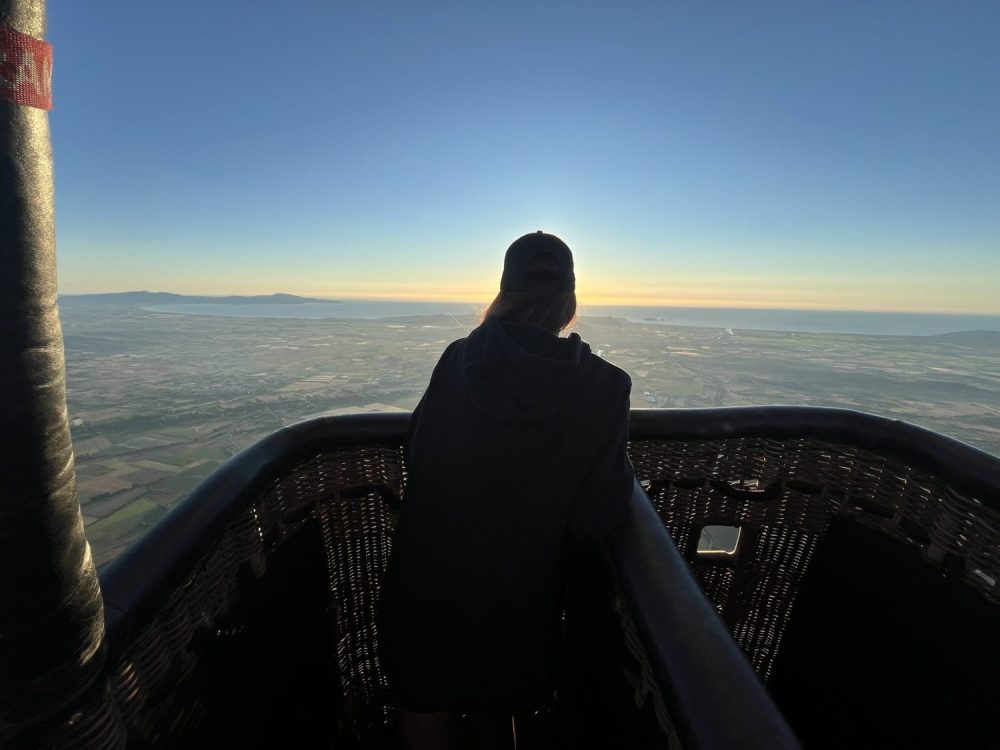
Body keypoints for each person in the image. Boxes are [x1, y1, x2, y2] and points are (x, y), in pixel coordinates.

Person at [377, 231, 635, 749]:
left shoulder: (458, 360)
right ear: (570, 301)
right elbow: (596, 515)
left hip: (426, 582)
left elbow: (419, 460)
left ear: (503, 293)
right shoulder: (606, 386)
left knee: (425, 704)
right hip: (522, 601)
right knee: (501, 710)